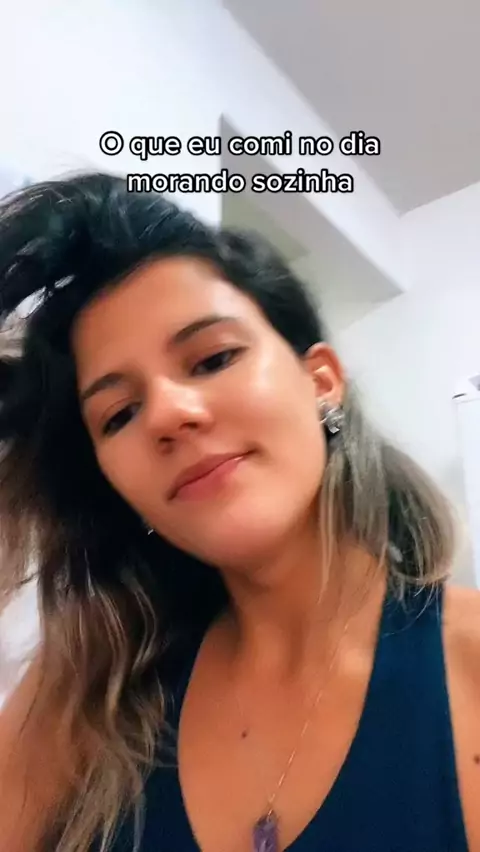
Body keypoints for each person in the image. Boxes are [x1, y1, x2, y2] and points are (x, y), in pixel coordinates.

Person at [0, 172, 478, 852]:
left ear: (321, 382)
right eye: (120, 414)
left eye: (213, 358)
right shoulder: (84, 702)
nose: (167, 413)